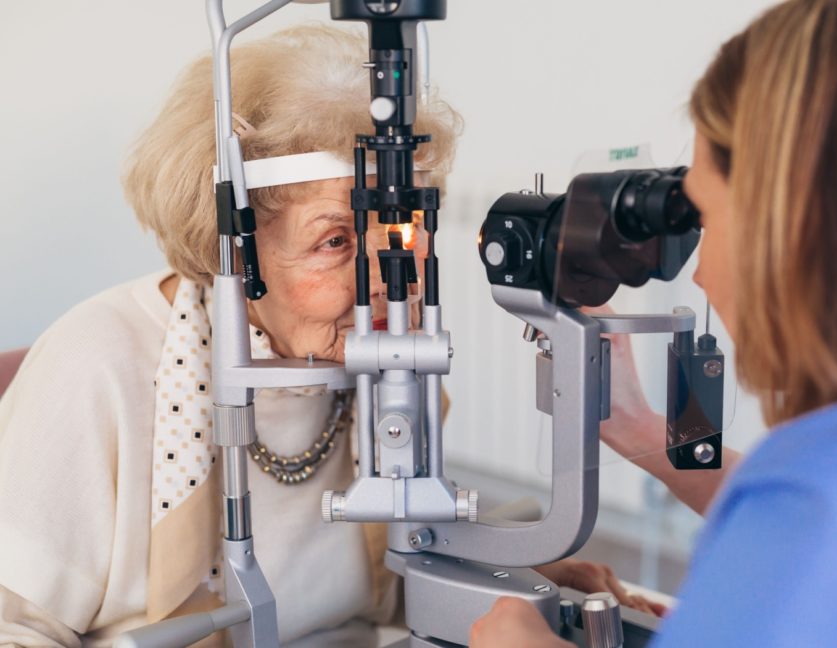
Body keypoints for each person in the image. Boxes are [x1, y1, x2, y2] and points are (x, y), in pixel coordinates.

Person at [0, 24, 653, 647]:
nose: (386, 283)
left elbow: (383, 578)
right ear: (238, 252)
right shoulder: (98, 367)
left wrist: (507, 576)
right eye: (335, 239)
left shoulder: (383, 364)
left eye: (395, 235)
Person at [470, 0, 837, 645]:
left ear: (789, 223)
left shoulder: (832, 508)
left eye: (704, 214)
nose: (700, 272)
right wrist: (644, 430)